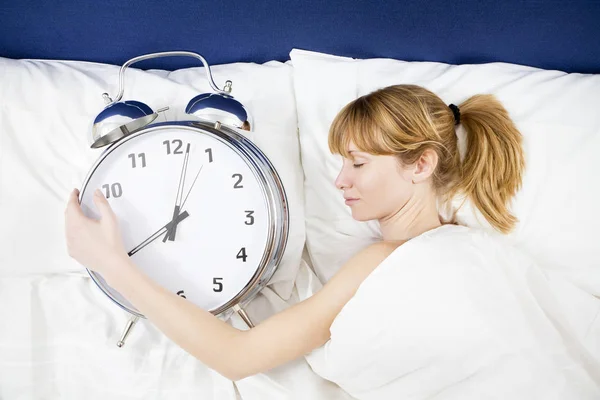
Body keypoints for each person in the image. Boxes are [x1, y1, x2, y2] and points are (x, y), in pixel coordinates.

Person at [64, 84, 533, 383]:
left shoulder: (390, 260)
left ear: (422, 164)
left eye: (359, 162)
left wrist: (111, 265)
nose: (341, 181)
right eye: (342, 162)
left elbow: (238, 357)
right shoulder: (476, 249)